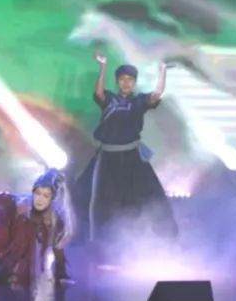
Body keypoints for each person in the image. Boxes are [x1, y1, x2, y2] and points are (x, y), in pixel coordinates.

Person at [72, 52, 177, 243]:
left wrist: (163, 71)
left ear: (134, 82)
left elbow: (156, 94)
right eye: (122, 79)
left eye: (130, 79)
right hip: (108, 157)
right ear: (118, 82)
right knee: (95, 197)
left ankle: (164, 238)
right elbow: (99, 93)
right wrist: (103, 66)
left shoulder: (139, 101)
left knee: (149, 195)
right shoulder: (109, 99)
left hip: (132, 156)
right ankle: (96, 242)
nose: (126, 83)